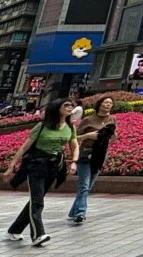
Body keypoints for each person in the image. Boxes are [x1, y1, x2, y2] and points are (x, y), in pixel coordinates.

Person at [4, 98, 78, 246]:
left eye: (71, 105)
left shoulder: (70, 127)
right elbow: (24, 147)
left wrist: (74, 161)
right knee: (37, 201)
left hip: (53, 167)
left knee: (35, 200)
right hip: (36, 166)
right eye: (66, 105)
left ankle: (14, 230)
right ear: (57, 107)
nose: (70, 108)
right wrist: (11, 166)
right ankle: (38, 234)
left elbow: (75, 145)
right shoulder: (42, 126)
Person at [68, 95, 118, 223]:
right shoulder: (88, 120)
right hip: (85, 153)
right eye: (105, 102)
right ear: (99, 104)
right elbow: (74, 138)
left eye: (110, 103)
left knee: (88, 185)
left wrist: (112, 134)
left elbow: (112, 140)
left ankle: (73, 211)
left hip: (100, 154)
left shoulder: (112, 119)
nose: (108, 105)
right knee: (84, 184)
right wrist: (88, 135)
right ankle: (80, 212)